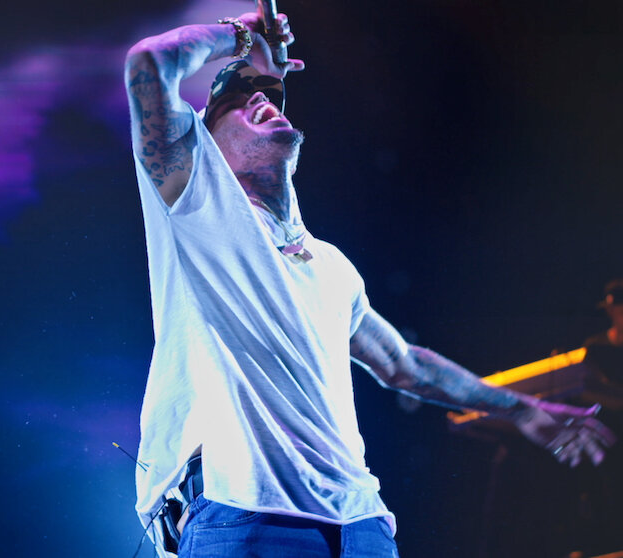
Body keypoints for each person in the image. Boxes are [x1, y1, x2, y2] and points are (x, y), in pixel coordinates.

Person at [124, 11, 614, 558]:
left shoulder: (332, 266)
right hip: (245, 511)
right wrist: (243, 34)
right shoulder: (197, 204)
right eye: (235, 100)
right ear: (206, 146)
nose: (260, 97)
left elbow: (405, 364)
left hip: (362, 524)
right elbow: (150, 63)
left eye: (267, 92)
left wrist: (522, 410)